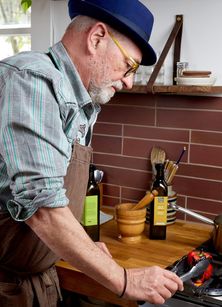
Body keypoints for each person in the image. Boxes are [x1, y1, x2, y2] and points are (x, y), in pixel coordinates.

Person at [0, 0, 184, 306]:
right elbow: (43, 208)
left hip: (37, 278)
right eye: (129, 66)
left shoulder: (82, 101)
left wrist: (84, 246)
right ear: (96, 38)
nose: (128, 81)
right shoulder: (32, 80)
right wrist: (123, 278)